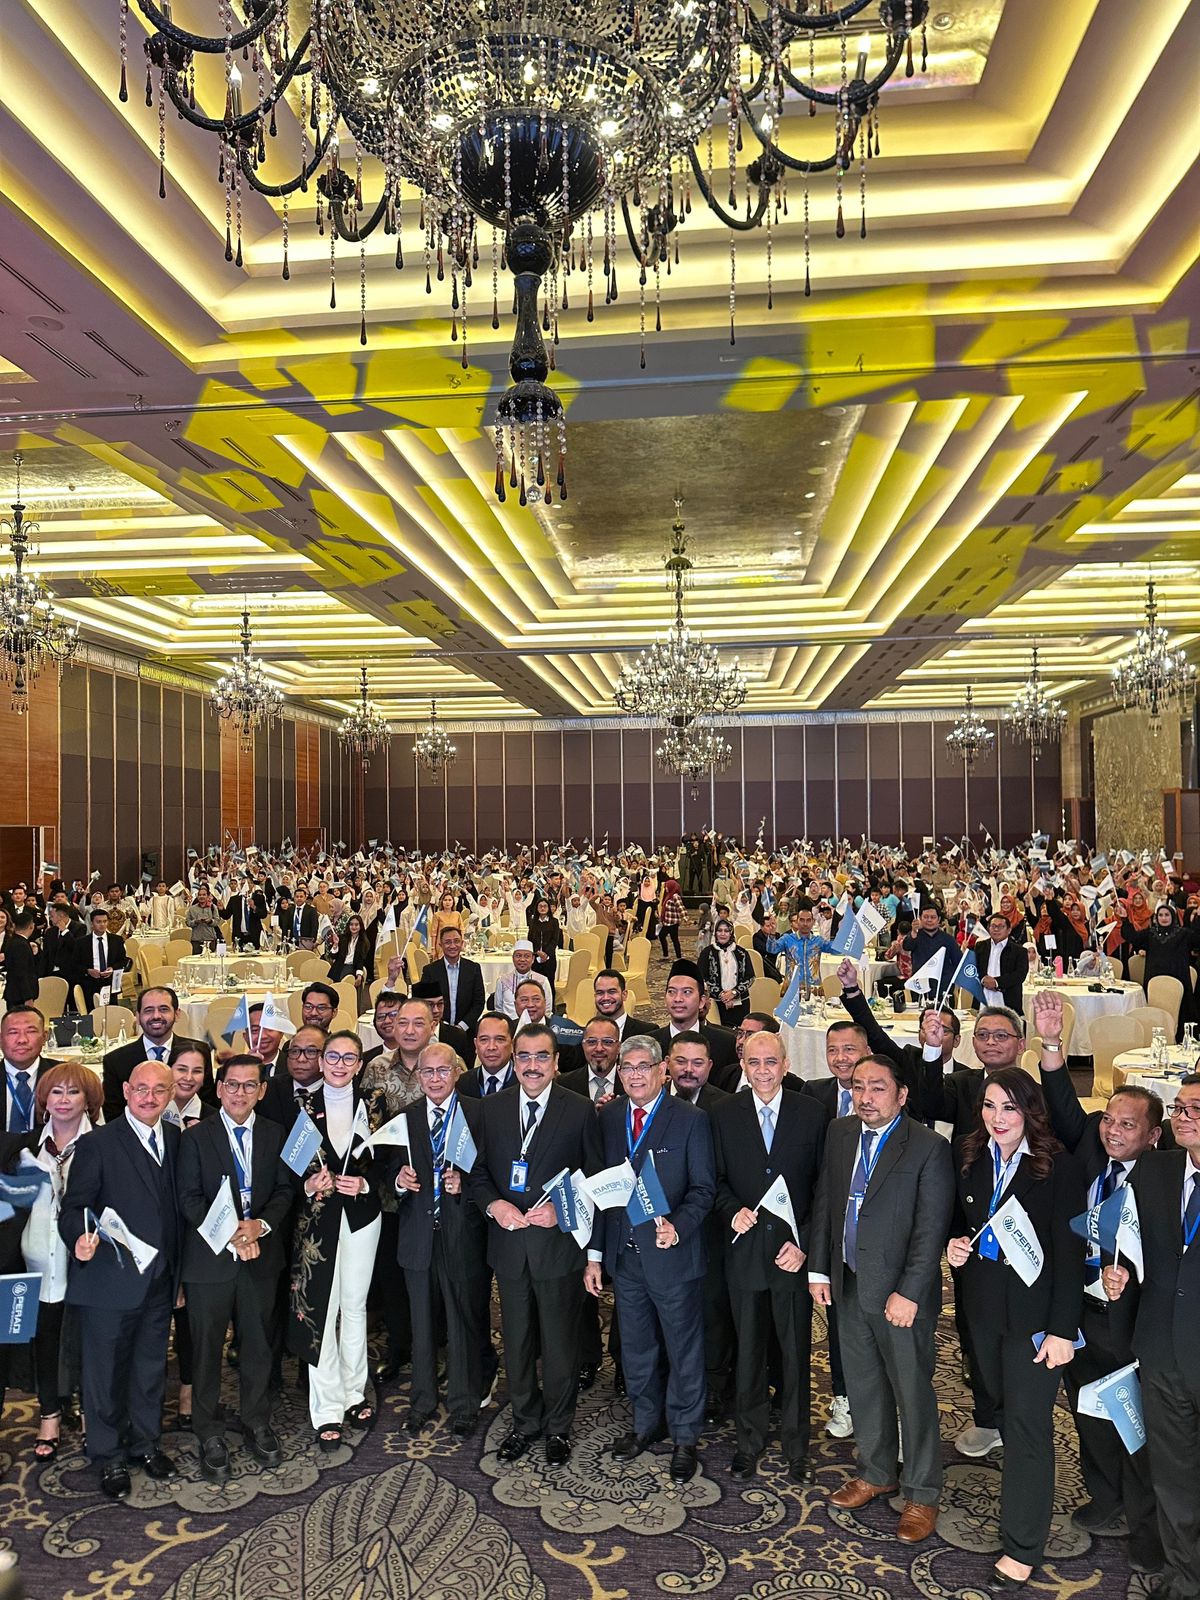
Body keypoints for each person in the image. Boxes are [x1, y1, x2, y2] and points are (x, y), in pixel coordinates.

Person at [1033, 990, 1164, 1570]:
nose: (1113, 1131)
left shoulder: (1164, 1179)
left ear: (1153, 1136)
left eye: (1128, 1125)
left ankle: (1144, 1519)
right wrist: (1052, 1043)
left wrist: (1130, 1275)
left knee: (1133, 1419)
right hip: (1077, 1309)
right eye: (1109, 1119)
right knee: (1087, 1407)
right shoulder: (1090, 1144)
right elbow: (1062, 1103)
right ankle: (1104, 1496)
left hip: (1129, 1318)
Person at [946, 1068, 1086, 1590]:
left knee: (1028, 1427)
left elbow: (1070, 1259)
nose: (997, 1117)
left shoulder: (1058, 1168)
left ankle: (1022, 1545)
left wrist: (1062, 1331)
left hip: (1036, 1323)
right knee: (1002, 1411)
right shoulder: (971, 1156)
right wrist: (955, 1245)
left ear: (1030, 1110)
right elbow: (962, 1223)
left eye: (1009, 1107)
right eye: (989, 1106)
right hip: (981, 1313)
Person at [809, 1053, 955, 1546]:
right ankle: (876, 1471)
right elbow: (827, 1202)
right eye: (858, 1087)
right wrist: (820, 1268)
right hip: (848, 1281)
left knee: (911, 1392)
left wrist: (910, 1291)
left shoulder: (928, 1147)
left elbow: (931, 1229)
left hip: (900, 1294)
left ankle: (922, 1491)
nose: (865, 1097)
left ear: (902, 1094)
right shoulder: (840, 1133)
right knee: (864, 1383)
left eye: (877, 1088)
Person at [468, 1021, 601, 1465]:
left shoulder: (579, 1110)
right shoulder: (490, 1109)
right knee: (517, 1341)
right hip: (509, 1249)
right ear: (514, 1060)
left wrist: (563, 1212)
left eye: (541, 1056)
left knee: (560, 1345)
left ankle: (559, 1427)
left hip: (557, 1249)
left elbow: (593, 1180)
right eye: (523, 1056)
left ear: (556, 1062)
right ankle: (525, 1422)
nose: (531, 1065)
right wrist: (494, 1206)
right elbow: (478, 1174)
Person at [586, 1035, 715, 1482]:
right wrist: (596, 1255)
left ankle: (684, 1435)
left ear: (662, 1071)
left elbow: (703, 1189)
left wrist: (678, 1225)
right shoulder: (610, 1117)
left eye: (644, 1066)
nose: (635, 1075)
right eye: (627, 1067)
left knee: (683, 1349)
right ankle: (645, 1425)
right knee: (637, 1349)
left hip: (672, 1256)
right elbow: (602, 1191)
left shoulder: (691, 1119)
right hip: (626, 1258)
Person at [59, 1059, 182, 1499]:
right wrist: (78, 1238)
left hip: (159, 1279)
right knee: (105, 1374)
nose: (149, 1097)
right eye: (141, 1089)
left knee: (150, 1368)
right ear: (126, 1091)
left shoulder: (175, 1137)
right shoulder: (98, 1143)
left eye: (159, 1090)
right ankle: (108, 1454)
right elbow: (74, 1208)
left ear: (170, 1095)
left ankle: (145, 1444)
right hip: (109, 1281)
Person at [711, 1027, 827, 1484]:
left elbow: (823, 1189)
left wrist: (806, 1246)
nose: (763, 1071)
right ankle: (749, 1440)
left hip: (791, 1256)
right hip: (743, 1254)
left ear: (786, 1065)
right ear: (743, 1065)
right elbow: (715, 1180)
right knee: (749, 1351)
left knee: (795, 1353)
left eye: (771, 1062)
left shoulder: (811, 1113)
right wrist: (730, 1210)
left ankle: (798, 1445)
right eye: (754, 1062)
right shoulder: (724, 1113)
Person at [1102, 1075, 1200, 1600]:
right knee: (1173, 1475)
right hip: (1162, 1349)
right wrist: (1122, 1274)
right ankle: (1185, 1578)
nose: (1184, 1117)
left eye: (1196, 1109)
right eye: (1180, 1108)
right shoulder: (1154, 1170)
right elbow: (1135, 1244)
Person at [177, 1054, 294, 1481]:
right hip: (210, 1260)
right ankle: (207, 1429)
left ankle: (256, 1419)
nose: (239, 1093)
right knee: (206, 1348)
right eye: (232, 1084)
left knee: (258, 1343)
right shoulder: (195, 1137)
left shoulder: (276, 1134)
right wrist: (230, 1233)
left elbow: (285, 1191)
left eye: (249, 1085)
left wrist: (259, 1226)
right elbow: (189, 1197)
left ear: (261, 1091)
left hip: (260, 1256)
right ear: (220, 1088)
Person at [288, 1031, 387, 1449]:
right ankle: (327, 1406)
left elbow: (388, 1160)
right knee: (322, 1310)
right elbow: (287, 1171)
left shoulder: (374, 1104)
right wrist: (308, 1184)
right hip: (317, 1221)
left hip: (362, 1216)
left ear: (359, 1065)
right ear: (321, 1060)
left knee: (354, 1305)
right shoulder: (301, 1106)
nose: (340, 1065)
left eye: (349, 1058)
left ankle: (354, 1392)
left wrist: (365, 1184)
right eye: (333, 1056)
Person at [390, 1042, 489, 1437]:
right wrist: (399, 1181)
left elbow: (489, 1173)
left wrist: (465, 1187)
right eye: (427, 1072)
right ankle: (422, 1401)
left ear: (457, 1072)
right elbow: (387, 1172)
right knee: (422, 1325)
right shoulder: (404, 1118)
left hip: (461, 1234)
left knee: (463, 1320)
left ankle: (465, 1404)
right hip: (418, 1237)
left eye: (442, 1071)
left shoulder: (478, 1115)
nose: (434, 1079)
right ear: (418, 1076)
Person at [16, 1062, 100, 1460]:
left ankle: (88, 1412)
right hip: (36, 1262)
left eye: (73, 1092)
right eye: (56, 1092)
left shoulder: (104, 1145)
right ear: (44, 1100)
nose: (64, 1100)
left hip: (86, 1262)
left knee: (88, 1341)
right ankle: (49, 1413)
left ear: (88, 1100)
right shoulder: (25, 1148)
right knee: (44, 1340)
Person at [101, 987, 201, 1124]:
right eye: (148, 1010)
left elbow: (207, 1104)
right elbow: (113, 1115)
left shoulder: (198, 1053)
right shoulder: (116, 1061)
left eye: (164, 1009)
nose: (156, 1016)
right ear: (137, 1017)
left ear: (177, 1014)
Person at [652, 959, 738, 1086]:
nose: (678, 999)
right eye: (671, 992)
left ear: (702, 1001)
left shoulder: (725, 1043)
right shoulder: (650, 1044)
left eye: (686, 992)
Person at [1121, 901, 1200, 1038]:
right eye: (1161, 915)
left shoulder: (1183, 934)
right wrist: (1124, 919)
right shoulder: (1150, 933)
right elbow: (1132, 937)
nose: (1163, 918)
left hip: (1178, 980)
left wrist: (1198, 918)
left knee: (1181, 1011)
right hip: (1155, 980)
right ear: (1156, 917)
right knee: (1155, 1010)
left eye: (1167, 915)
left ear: (1172, 917)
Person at [2, 1006, 54, 1137]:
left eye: (31, 1031)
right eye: (13, 1032)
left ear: (45, 1037)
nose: (22, 1040)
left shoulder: (62, 1076)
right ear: (0, 1039)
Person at [423, 927, 486, 1034]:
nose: (452, 946)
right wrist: (442, 1027)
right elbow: (424, 1003)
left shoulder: (473, 968)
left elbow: (479, 1002)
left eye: (456, 941)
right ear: (440, 945)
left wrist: (462, 1027)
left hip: (466, 1032)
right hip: (437, 1031)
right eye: (448, 942)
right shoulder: (430, 971)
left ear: (462, 943)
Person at [699, 917, 755, 1028]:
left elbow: (750, 977)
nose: (723, 934)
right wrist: (722, 995)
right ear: (715, 933)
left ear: (731, 933)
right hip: (715, 1003)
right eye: (719, 930)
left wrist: (734, 993)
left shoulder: (741, 953)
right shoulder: (707, 953)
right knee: (718, 1033)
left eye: (726, 931)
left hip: (740, 1003)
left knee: (740, 1032)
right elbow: (702, 977)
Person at [972, 910, 1028, 1015]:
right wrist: (983, 978)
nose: (996, 929)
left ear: (1009, 930)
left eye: (1001, 926)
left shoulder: (1019, 951)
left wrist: (996, 982)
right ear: (988, 928)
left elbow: (1020, 975)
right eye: (993, 926)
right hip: (982, 997)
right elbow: (974, 967)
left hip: (1007, 1000)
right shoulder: (980, 946)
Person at [559, 1016, 623, 1105]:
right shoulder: (563, 1084)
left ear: (618, 1047)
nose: (599, 1049)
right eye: (592, 1042)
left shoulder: (633, 1083)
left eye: (607, 1042)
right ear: (583, 1046)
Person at [459, 1011, 516, 1097]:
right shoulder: (461, 1084)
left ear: (512, 1045)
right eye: (484, 1040)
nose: (491, 1047)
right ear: (476, 1045)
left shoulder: (525, 1082)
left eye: (499, 1039)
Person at [492, 941, 553, 1020]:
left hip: (534, 1025)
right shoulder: (502, 981)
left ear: (533, 959)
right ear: (513, 958)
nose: (522, 959)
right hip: (509, 1024)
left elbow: (547, 1009)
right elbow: (498, 1009)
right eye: (518, 956)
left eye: (527, 956)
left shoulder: (542, 981)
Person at [591, 970, 655, 1041]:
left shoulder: (647, 1032)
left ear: (624, 995)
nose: (605, 998)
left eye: (612, 992)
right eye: (600, 993)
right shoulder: (586, 1034)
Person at [164, 1042, 216, 1127]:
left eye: (197, 1071)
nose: (188, 1078)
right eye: (182, 1069)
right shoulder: (150, 1109)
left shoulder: (216, 1120)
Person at [0, 905, 38, 1008]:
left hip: (15, 993)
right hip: (19, 996)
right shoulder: (21, 944)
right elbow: (21, 973)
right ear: (31, 926)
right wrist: (28, 997)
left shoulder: (13, 941)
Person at [327, 914, 375, 996]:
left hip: (353, 967)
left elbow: (361, 960)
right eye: (351, 924)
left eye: (356, 925)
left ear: (360, 926)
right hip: (339, 966)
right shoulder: (342, 938)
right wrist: (335, 944)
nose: (354, 927)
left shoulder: (364, 942)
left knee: (346, 978)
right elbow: (332, 956)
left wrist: (359, 975)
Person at [525, 896, 563, 996]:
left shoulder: (554, 922)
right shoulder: (533, 922)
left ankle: (550, 1005)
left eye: (545, 906)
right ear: (537, 908)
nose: (542, 908)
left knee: (549, 984)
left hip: (549, 958)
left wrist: (545, 954)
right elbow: (530, 939)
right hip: (536, 958)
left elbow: (554, 940)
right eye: (540, 906)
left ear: (548, 908)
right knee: (536, 985)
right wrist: (537, 952)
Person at [185, 886, 223, 951]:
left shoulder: (213, 907)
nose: (201, 896)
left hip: (210, 939)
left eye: (204, 895)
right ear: (197, 897)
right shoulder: (192, 909)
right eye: (200, 895)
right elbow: (188, 922)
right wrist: (195, 921)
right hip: (196, 940)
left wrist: (210, 921)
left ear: (207, 896)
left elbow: (217, 921)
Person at [657, 877, 685, 962]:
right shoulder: (669, 895)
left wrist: (685, 918)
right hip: (667, 922)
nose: (666, 888)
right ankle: (666, 955)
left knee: (674, 939)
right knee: (662, 936)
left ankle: (678, 957)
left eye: (667, 886)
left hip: (673, 922)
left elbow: (680, 907)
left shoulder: (675, 896)